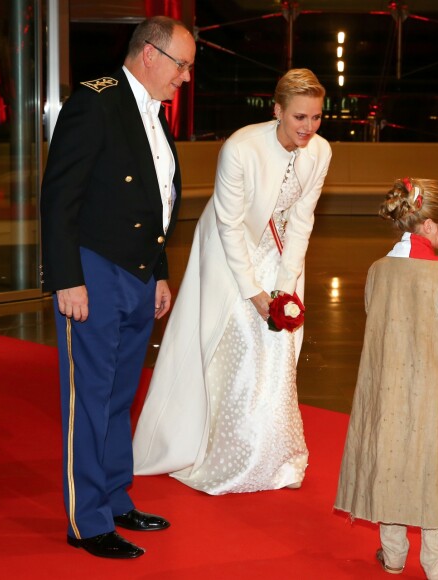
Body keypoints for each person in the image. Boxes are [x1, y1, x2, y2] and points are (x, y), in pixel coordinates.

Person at [132, 68, 332, 495]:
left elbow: (301, 220)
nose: (308, 128)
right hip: (230, 249)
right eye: (300, 118)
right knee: (237, 341)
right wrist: (254, 293)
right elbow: (229, 224)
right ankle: (226, 454)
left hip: (280, 252)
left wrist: (284, 286)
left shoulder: (321, 152)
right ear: (277, 110)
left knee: (280, 344)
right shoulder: (241, 147)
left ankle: (274, 456)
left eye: (315, 118)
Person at [40, 16, 196, 559]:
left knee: (120, 395)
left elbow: (156, 200)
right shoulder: (96, 101)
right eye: (182, 64)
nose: (186, 78)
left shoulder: (152, 113)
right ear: (150, 54)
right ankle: (87, 520)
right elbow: (60, 197)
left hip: (136, 274)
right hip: (94, 272)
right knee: (91, 398)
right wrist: (67, 279)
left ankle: (114, 496)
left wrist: (160, 272)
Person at [334, 178, 438, 580]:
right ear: (429, 226)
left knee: (391, 462)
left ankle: (394, 555)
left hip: (384, 388)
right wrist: (433, 357)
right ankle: (436, 565)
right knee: (435, 467)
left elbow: (374, 319)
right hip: (431, 389)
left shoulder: (378, 269)